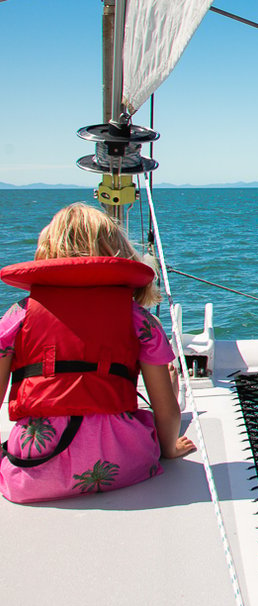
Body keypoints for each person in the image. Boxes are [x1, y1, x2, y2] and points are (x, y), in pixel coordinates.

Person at [0, 203, 196, 503]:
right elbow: (166, 408)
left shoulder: (19, 316)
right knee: (167, 379)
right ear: (117, 253)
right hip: (127, 463)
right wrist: (169, 448)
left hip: (35, 471)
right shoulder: (138, 319)